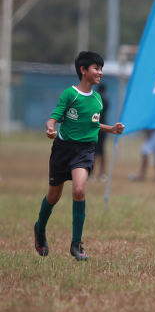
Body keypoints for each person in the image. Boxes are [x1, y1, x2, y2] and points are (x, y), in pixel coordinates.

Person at [33, 51, 125, 261]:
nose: (100, 72)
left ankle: (76, 244)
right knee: (53, 196)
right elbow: (53, 119)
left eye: (101, 69)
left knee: (79, 189)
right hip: (63, 148)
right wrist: (49, 129)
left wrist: (112, 129)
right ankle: (39, 227)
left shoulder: (97, 99)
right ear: (83, 70)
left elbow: (92, 125)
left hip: (85, 150)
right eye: (96, 68)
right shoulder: (69, 94)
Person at [91, 83, 109, 182]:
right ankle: (102, 173)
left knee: (93, 151)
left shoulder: (97, 101)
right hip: (104, 128)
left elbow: (94, 115)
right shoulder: (106, 101)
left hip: (96, 127)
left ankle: (92, 174)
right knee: (101, 152)